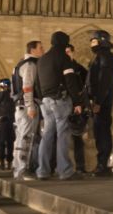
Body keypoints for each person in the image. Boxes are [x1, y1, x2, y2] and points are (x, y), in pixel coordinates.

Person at [35, 31, 85, 180]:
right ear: (64, 43)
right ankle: (65, 171)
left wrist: (43, 98)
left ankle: (42, 171)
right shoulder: (63, 58)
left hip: (46, 101)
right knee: (63, 135)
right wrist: (77, 102)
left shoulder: (42, 60)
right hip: (60, 100)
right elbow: (70, 81)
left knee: (47, 135)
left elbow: (37, 83)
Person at [86, 30, 113, 177]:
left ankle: (103, 164)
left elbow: (105, 81)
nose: (91, 44)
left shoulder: (106, 57)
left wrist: (98, 101)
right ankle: (101, 163)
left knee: (102, 131)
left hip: (103, 100)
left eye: (93, 40)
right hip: (101, 99)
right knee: (100, 130)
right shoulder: (102, 57)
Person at [11, 40, 44, 180]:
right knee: (27, 138)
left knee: (20, 137)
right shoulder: (30, 65)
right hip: (27, 106)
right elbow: (27, 86)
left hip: (19, 106)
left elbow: (14, 90)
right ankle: (23, 169)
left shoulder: (18, 65)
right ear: (32, 50)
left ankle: (18, 168)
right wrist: (30, 105)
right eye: (40, 48)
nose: (43, 50)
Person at [64, 43, 90, 173]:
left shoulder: (80, 69)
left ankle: (80, 166)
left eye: (69, 52)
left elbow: (87, 86)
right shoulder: (61, 68)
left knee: (77, 137)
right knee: (61, 136)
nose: (67, 54)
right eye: (65, 52)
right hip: (64, 104)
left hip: (77, 106)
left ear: (73, 52)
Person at [0, 79, 16, 170]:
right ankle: (9, 163)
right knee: (10, 142)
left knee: (1, 141)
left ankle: (2, 163)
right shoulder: (13, 94)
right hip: (12, 120)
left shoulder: (1, 94)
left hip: (2, 120)